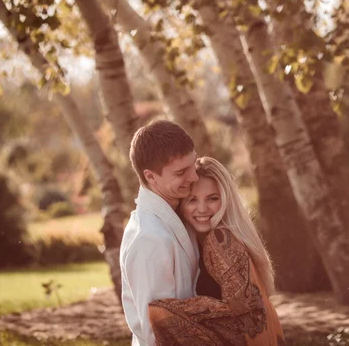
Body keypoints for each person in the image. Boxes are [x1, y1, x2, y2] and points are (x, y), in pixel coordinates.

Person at [148, 157, 285, 346]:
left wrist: (164, 311)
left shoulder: (220, 240)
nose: (202, 209)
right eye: (192, 200)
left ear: (226, 200)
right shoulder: (218, 240)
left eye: (212, 198)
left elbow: (245, 315)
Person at [120, 120, 201, 346]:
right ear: (151, 177)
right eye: (181, 172)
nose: (194, 177)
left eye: (193, 165)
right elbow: (158, 331)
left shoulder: (177, 217)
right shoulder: (150, 238)